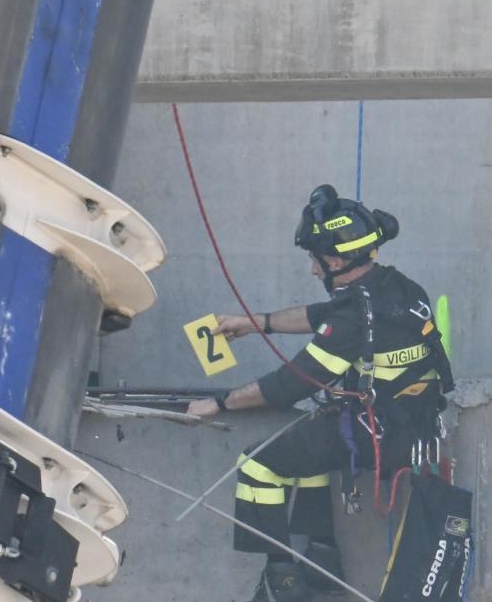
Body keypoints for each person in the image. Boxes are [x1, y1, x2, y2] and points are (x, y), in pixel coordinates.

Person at [187, 184, 454, 602]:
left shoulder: (352, 316)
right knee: (307, 456)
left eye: (314, 260)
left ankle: (282, 581)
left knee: (259, 464)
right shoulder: (398, 289)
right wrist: (257, 322)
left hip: (377, 436)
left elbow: (291, 384)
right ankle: (324, 563)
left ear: (335, 259)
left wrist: (218, 403)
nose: (313, 270)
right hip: (412, 427)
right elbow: (323, 315)